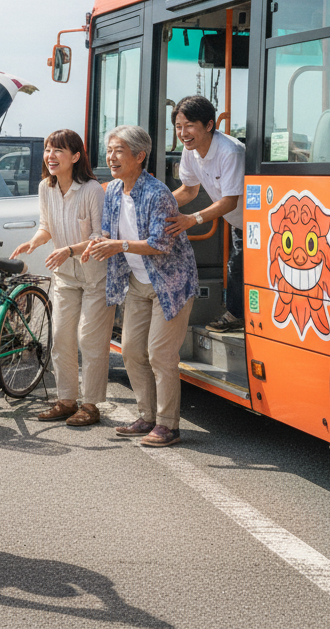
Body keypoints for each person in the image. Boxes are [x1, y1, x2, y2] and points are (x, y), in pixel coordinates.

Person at [85, 125, 199, 447]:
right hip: (137, 282)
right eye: (109, 150)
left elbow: (159, 244)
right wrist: (95, 245)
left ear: (139, 156)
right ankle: (147, 416)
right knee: (133, 351)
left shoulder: (157, 193)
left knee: (160, 354)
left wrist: (117, 246)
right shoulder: (112, 191)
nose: (111, 157)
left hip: (170, 282)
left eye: (118, 151)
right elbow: (107, 233)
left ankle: (168, 425)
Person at [11, 130, 110, 426]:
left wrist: (68, 250)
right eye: (47, 150)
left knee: (90, 340)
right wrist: (35, 241)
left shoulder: (92, 189)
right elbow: (47, 225)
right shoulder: (46, 187)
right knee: (62, 339)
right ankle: (66, 400)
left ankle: (91, 405)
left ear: (76, 157)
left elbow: (99, 236)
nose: (50, 156)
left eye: (58, 151)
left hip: (95, 277)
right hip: (65, 277)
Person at [165, 95, 245, 332]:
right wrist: (157, 205)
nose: (183, 133)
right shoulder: (190, 150)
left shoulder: (230, 152)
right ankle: (238, 315)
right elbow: (189, 190)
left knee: (240, 265)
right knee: (238, 265)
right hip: (238, 221)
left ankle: (238, 316)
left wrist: (191, 219)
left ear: (209, 125)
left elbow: (229, 202)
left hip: (258, 221)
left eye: (189, 125)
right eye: (178, 127)